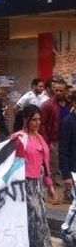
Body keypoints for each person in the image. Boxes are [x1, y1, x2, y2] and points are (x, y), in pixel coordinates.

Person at [12, 104, 56, 247]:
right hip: (25, 184)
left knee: (41, 218)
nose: (37, 123)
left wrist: (49, 185)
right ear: (26, 120)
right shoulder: (19, 138)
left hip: (39, 184)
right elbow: (13, 165)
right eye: (34, 120)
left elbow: (45, 163)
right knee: (34, 219)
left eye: (39, 119)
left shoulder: (40, 137)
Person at [40, 79, 69, 202]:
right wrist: (47, 142)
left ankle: (68, 194)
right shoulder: (47, 105)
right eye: (55, 90)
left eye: (60, 90)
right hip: (54, 140)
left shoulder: (70, 104)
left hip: (68, 141)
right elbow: (42, 124)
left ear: (66, 91)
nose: (57, 92)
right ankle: (55, 196)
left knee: (67, 168)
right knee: (54, 169)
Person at [59, 91, 76, 245]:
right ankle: (66, 231)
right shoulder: (68, 122)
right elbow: (62, 150)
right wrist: (65, 175)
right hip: (73, 169)